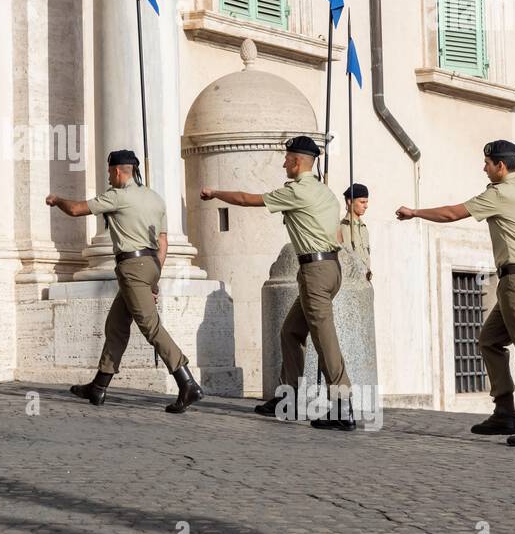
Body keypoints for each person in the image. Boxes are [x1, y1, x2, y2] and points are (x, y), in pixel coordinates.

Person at [395, 139, 515, 449]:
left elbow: (452, 213)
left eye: (486, 163)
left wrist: (414, 212)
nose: (483, 167)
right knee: (489, 340)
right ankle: (505, 411)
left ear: (500, 166)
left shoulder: (498, 194)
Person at [202, 136, 354, 430]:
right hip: (331, 268)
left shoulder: (296, 192)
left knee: (325, 339)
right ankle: (291, 397)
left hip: (315, 271)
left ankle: (342, 406)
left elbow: (249, 199)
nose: (284, 162)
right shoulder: (326, 193)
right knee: (290, 332)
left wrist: (215, 192)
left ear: (297, 161)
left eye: (286, 158)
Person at [46, 149, 203, 414]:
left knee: (151, 327)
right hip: (151, 265)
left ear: (118, 171)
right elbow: (162, 241)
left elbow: (75, 210)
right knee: (116, 325)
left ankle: (186, 382)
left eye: (109, 172)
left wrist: (57, 199)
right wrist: (154, 278)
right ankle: (99, 386)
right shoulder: (155, 198)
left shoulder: (118, 197)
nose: (109, 177)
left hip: (132, 267)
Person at [339, 183, 372, 281]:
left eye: (366, 202)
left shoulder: (363, 228)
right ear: (350, 201)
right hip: (350, 282)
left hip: (366, 281)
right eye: (362, 202)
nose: (366, 206)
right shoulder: (341, 228)